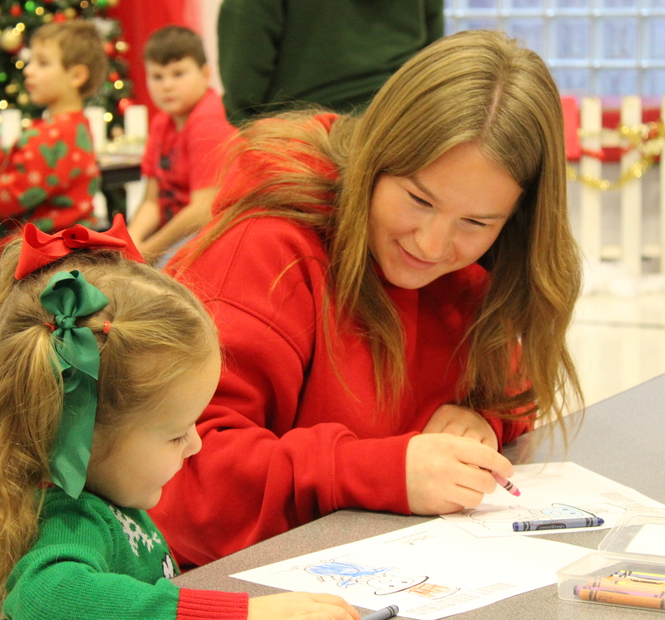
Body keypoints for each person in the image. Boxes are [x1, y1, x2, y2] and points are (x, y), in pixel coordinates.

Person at [150, 30, 585, 566]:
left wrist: (483, 423)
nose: (431, 244)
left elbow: (514, 390)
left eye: (476, 222)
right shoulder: (268, 252)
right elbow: (183, 481)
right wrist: (381, 473)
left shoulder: (475, 273)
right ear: (376, 158)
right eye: (418, 199)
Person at [0, 215, 360, 620]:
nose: (196, 444)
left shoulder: (110, 498)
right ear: (83, 434)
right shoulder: (69, 519)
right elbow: (46, 597)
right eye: (177, 435)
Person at [218, 0, 444, 124]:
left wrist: (247, 118)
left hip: (303, 140)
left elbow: (245, 45)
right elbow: (433, 46)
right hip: (397, 129)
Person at [0, 20, 107, 257]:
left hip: (36, 259)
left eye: (42, 63)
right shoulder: (73, 126)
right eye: (31, 61)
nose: (28, 70)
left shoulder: (50, 137)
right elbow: (10, 154)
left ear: (76, 76)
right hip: (65, 251)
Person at [127, 26, 236, 264]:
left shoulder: (210, 119)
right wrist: (131, 241)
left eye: (178, 74)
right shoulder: (161, 123)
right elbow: (152, 201)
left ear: (205, 74)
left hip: (213, 235)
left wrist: (150, 250)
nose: (166, 85)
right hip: (177, 234)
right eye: (157, 76)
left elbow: (204, 210)